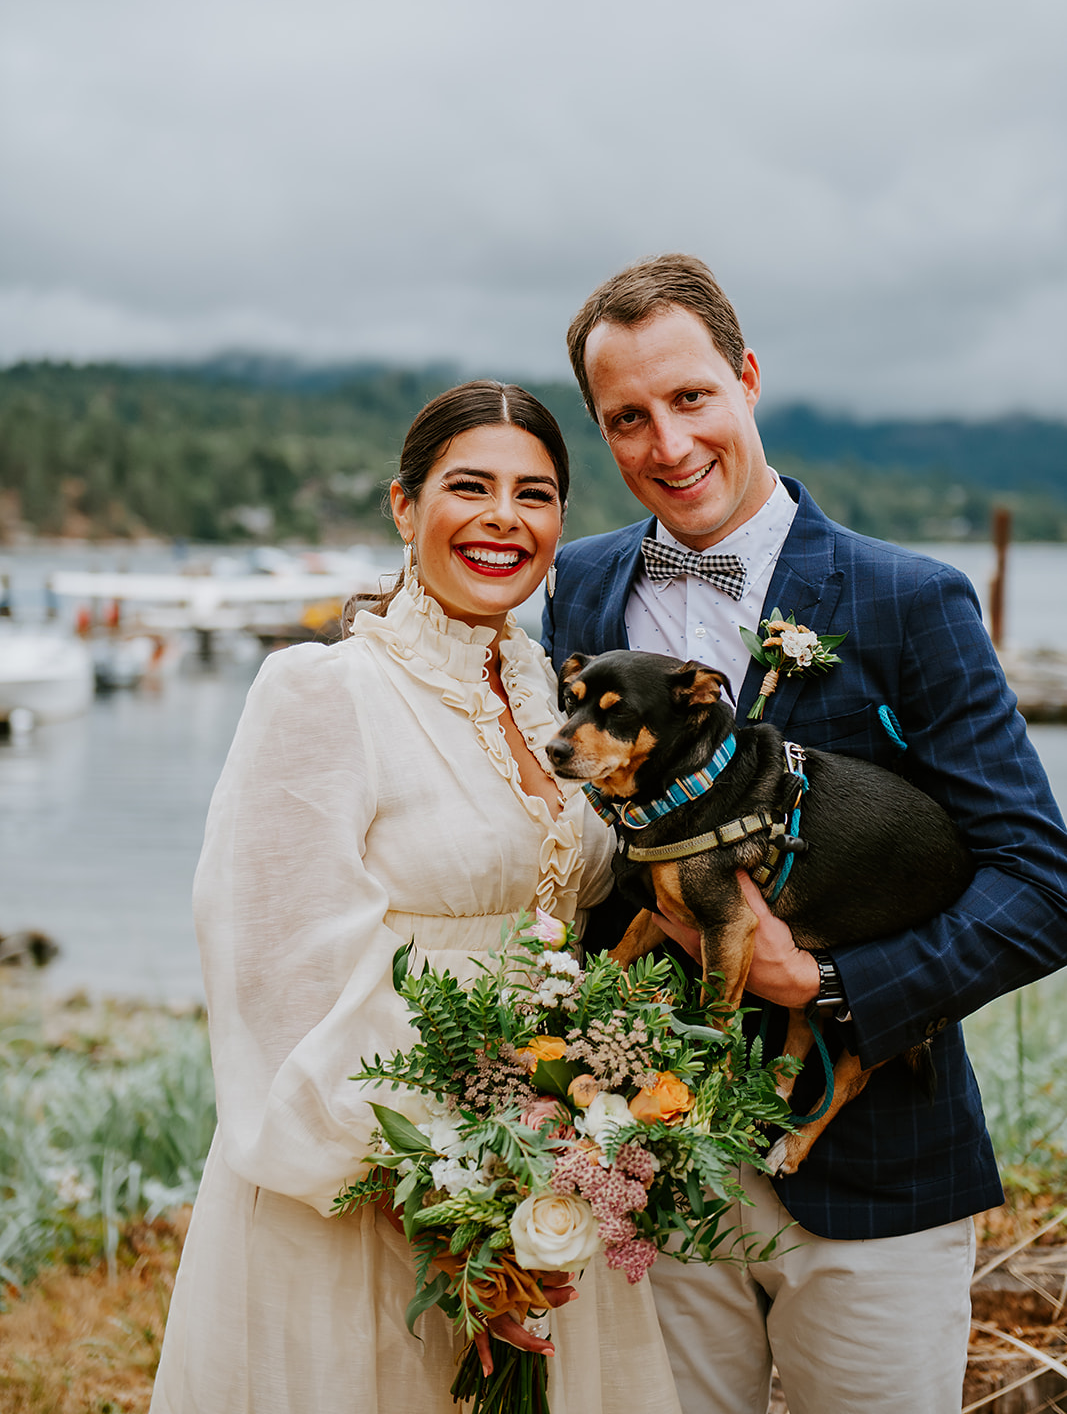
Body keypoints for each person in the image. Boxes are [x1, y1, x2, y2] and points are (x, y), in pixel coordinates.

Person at [541, 254, 1067, 1414]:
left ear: (746, 378)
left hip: (872, 1170)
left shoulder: (907, 599)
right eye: (626, 419)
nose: (666, 445)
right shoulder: (575, 591)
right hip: (651, 1176)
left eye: (688, 399)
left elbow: (1040, 883)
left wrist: (826, 981)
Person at [151, 381, 681, 1414]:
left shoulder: (549, 695)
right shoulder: (324, 690)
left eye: (533, 494)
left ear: (559, 524)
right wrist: (452, 1193)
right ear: (404, 506)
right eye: (468, 486)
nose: (502, 518)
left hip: (544, 1170)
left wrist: (566, 1149)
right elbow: (276, 965)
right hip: (368, 1180)